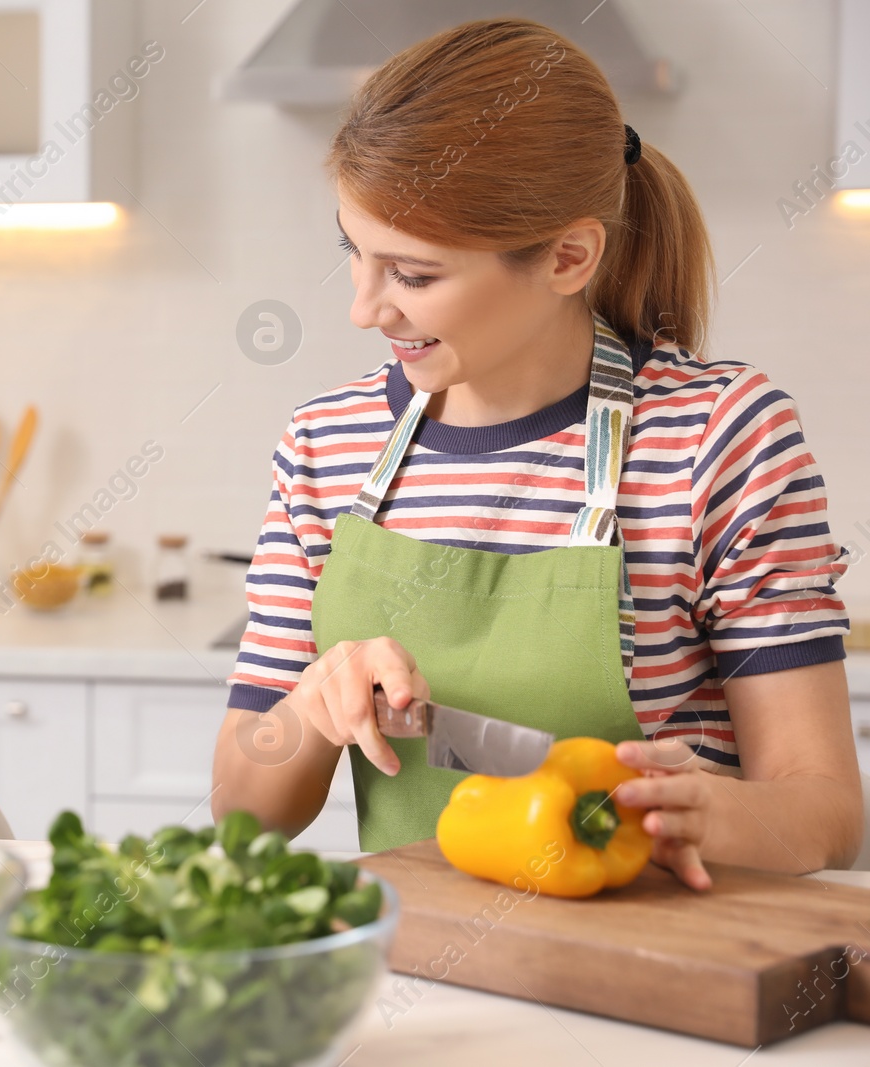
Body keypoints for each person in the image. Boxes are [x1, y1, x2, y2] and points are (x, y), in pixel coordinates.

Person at [211, 18, 862, 886]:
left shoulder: (718, 437)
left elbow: (824, 814)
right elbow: (241, 808)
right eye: (355, 255)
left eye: (413, 275)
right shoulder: (328, 444)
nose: (366, 309)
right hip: (430, 978)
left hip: (661, 974)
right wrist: (313, 703)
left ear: (567, 257)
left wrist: (714, 809)